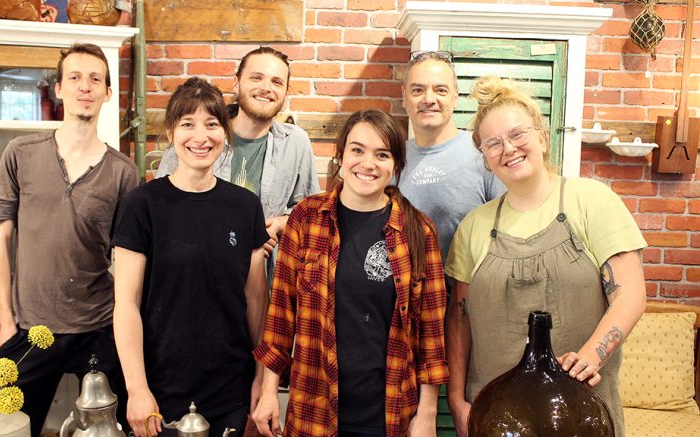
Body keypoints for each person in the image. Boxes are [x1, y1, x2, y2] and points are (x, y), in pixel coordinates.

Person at [444, 76, 647, 437]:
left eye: (517, 134)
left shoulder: (592, 201)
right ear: (486, 160)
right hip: (497, 420)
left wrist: (590, 358)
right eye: (493, 144)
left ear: (541, 136)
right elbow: (459, 322)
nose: (508, 148)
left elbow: (629, 294)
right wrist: (457, 401)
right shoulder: (474, 227)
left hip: (581, 416)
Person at [252, 110, 449, 437]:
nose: (368, 163)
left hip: (391, 413)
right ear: (341, 155)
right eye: (357, 150)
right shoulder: (306, 218)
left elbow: (431, 333)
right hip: (313, 408)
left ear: (396, 165)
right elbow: (281, 314)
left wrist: (427, 413)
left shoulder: (418, 230)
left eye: (382, 154)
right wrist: (269, 389)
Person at [0, 43, 139, 436]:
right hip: (29, 328)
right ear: (58, 88)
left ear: (108, 92)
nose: (84, 86)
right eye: (74, 77)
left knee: (120, 425)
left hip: (98, 326)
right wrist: (5, 320)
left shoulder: (123, 172)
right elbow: (0, 235)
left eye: (95, 79)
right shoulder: (20, 153)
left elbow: (126, 258)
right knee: (9, 429)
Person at [112, 77, 270, 437]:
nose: (201, 137)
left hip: (230, 388)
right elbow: (125, 304)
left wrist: (260, 377)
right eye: (188, 124)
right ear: (170, 132)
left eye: (212, 124)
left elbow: (256, 297)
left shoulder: (245, 206)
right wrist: (137, 389)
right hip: (160, 389)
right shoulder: (143, 204)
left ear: (225, 133)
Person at [156, 47, 319, 262]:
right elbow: (162, 209)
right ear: (236, 83)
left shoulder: (296, 143)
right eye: (256, 78)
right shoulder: (200, 139)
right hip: (201, 270)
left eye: (277, 82)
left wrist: (278, 225)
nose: (266, 88)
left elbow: (312, 214)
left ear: (285, 93)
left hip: (266, 275)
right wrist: (244, 236)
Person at [398, 51, 505, 278]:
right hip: (405, 303)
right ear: (404, 97)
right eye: (418, 90)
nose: (429, 99)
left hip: (469, 302)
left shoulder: (483, 153)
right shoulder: (393, 158)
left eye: (440, 90)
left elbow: (508, 236)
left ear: (455, 97)